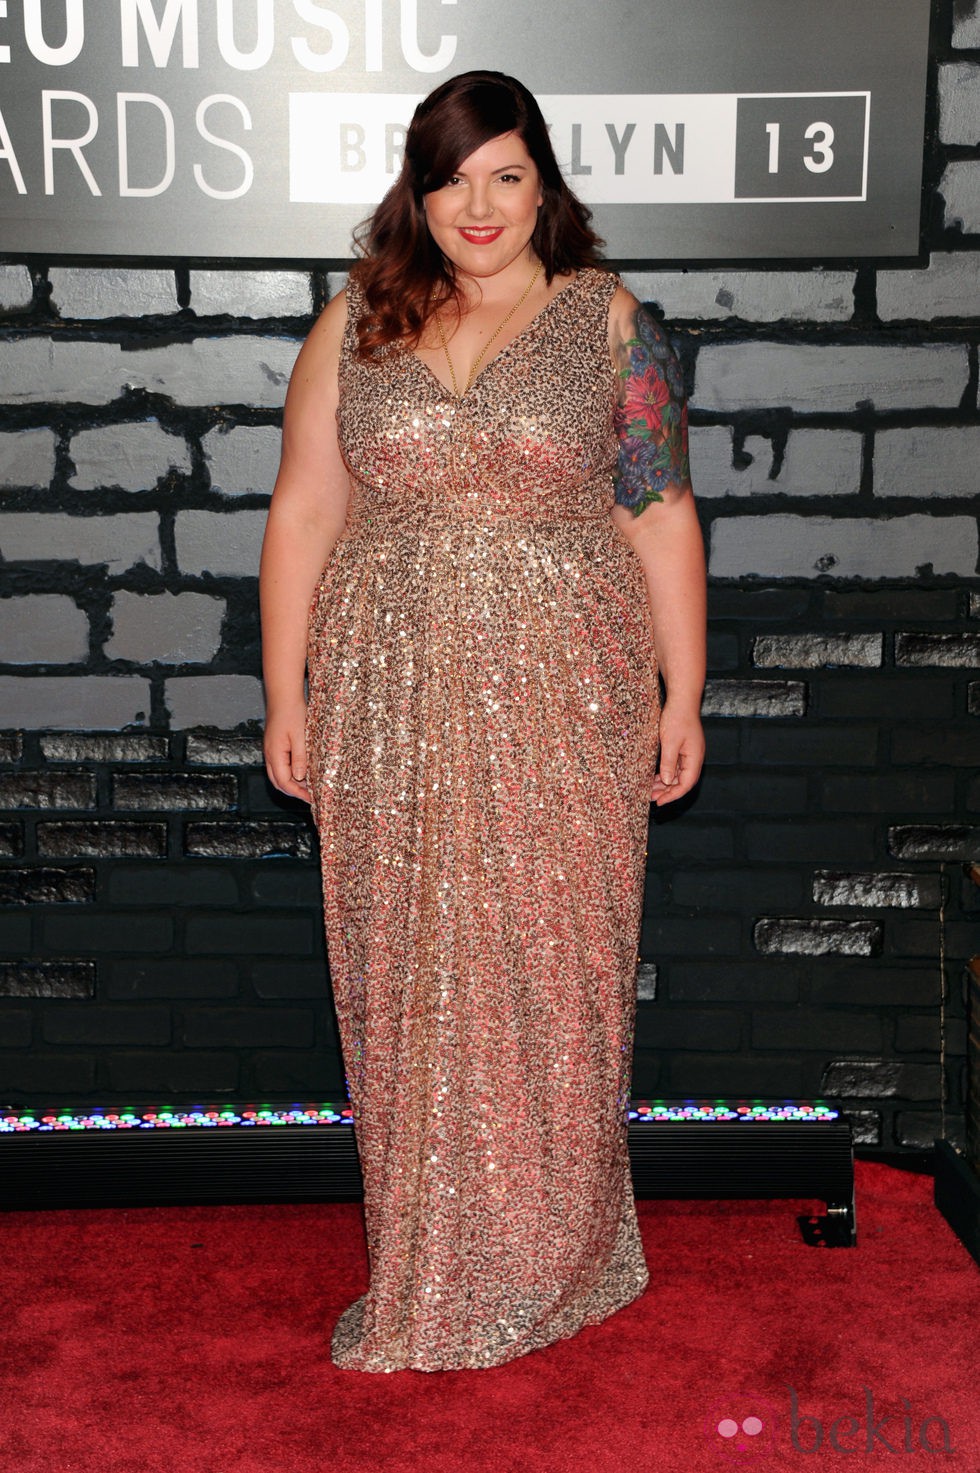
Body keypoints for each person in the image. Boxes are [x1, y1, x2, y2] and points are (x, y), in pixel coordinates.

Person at [259, 70, 707, 1373]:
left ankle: (554, 1251)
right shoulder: (356, 324)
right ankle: (433, 1257)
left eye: (506, 175)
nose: (479, 205)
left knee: (548, 963)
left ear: (544, 185)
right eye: (453, 178)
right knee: (414, 973)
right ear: (419, 188)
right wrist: (283, 692)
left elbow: (659, 508)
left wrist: (686, 689)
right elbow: (302, 513)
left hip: (568, 683)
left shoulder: (609, 322)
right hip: (387, 698)